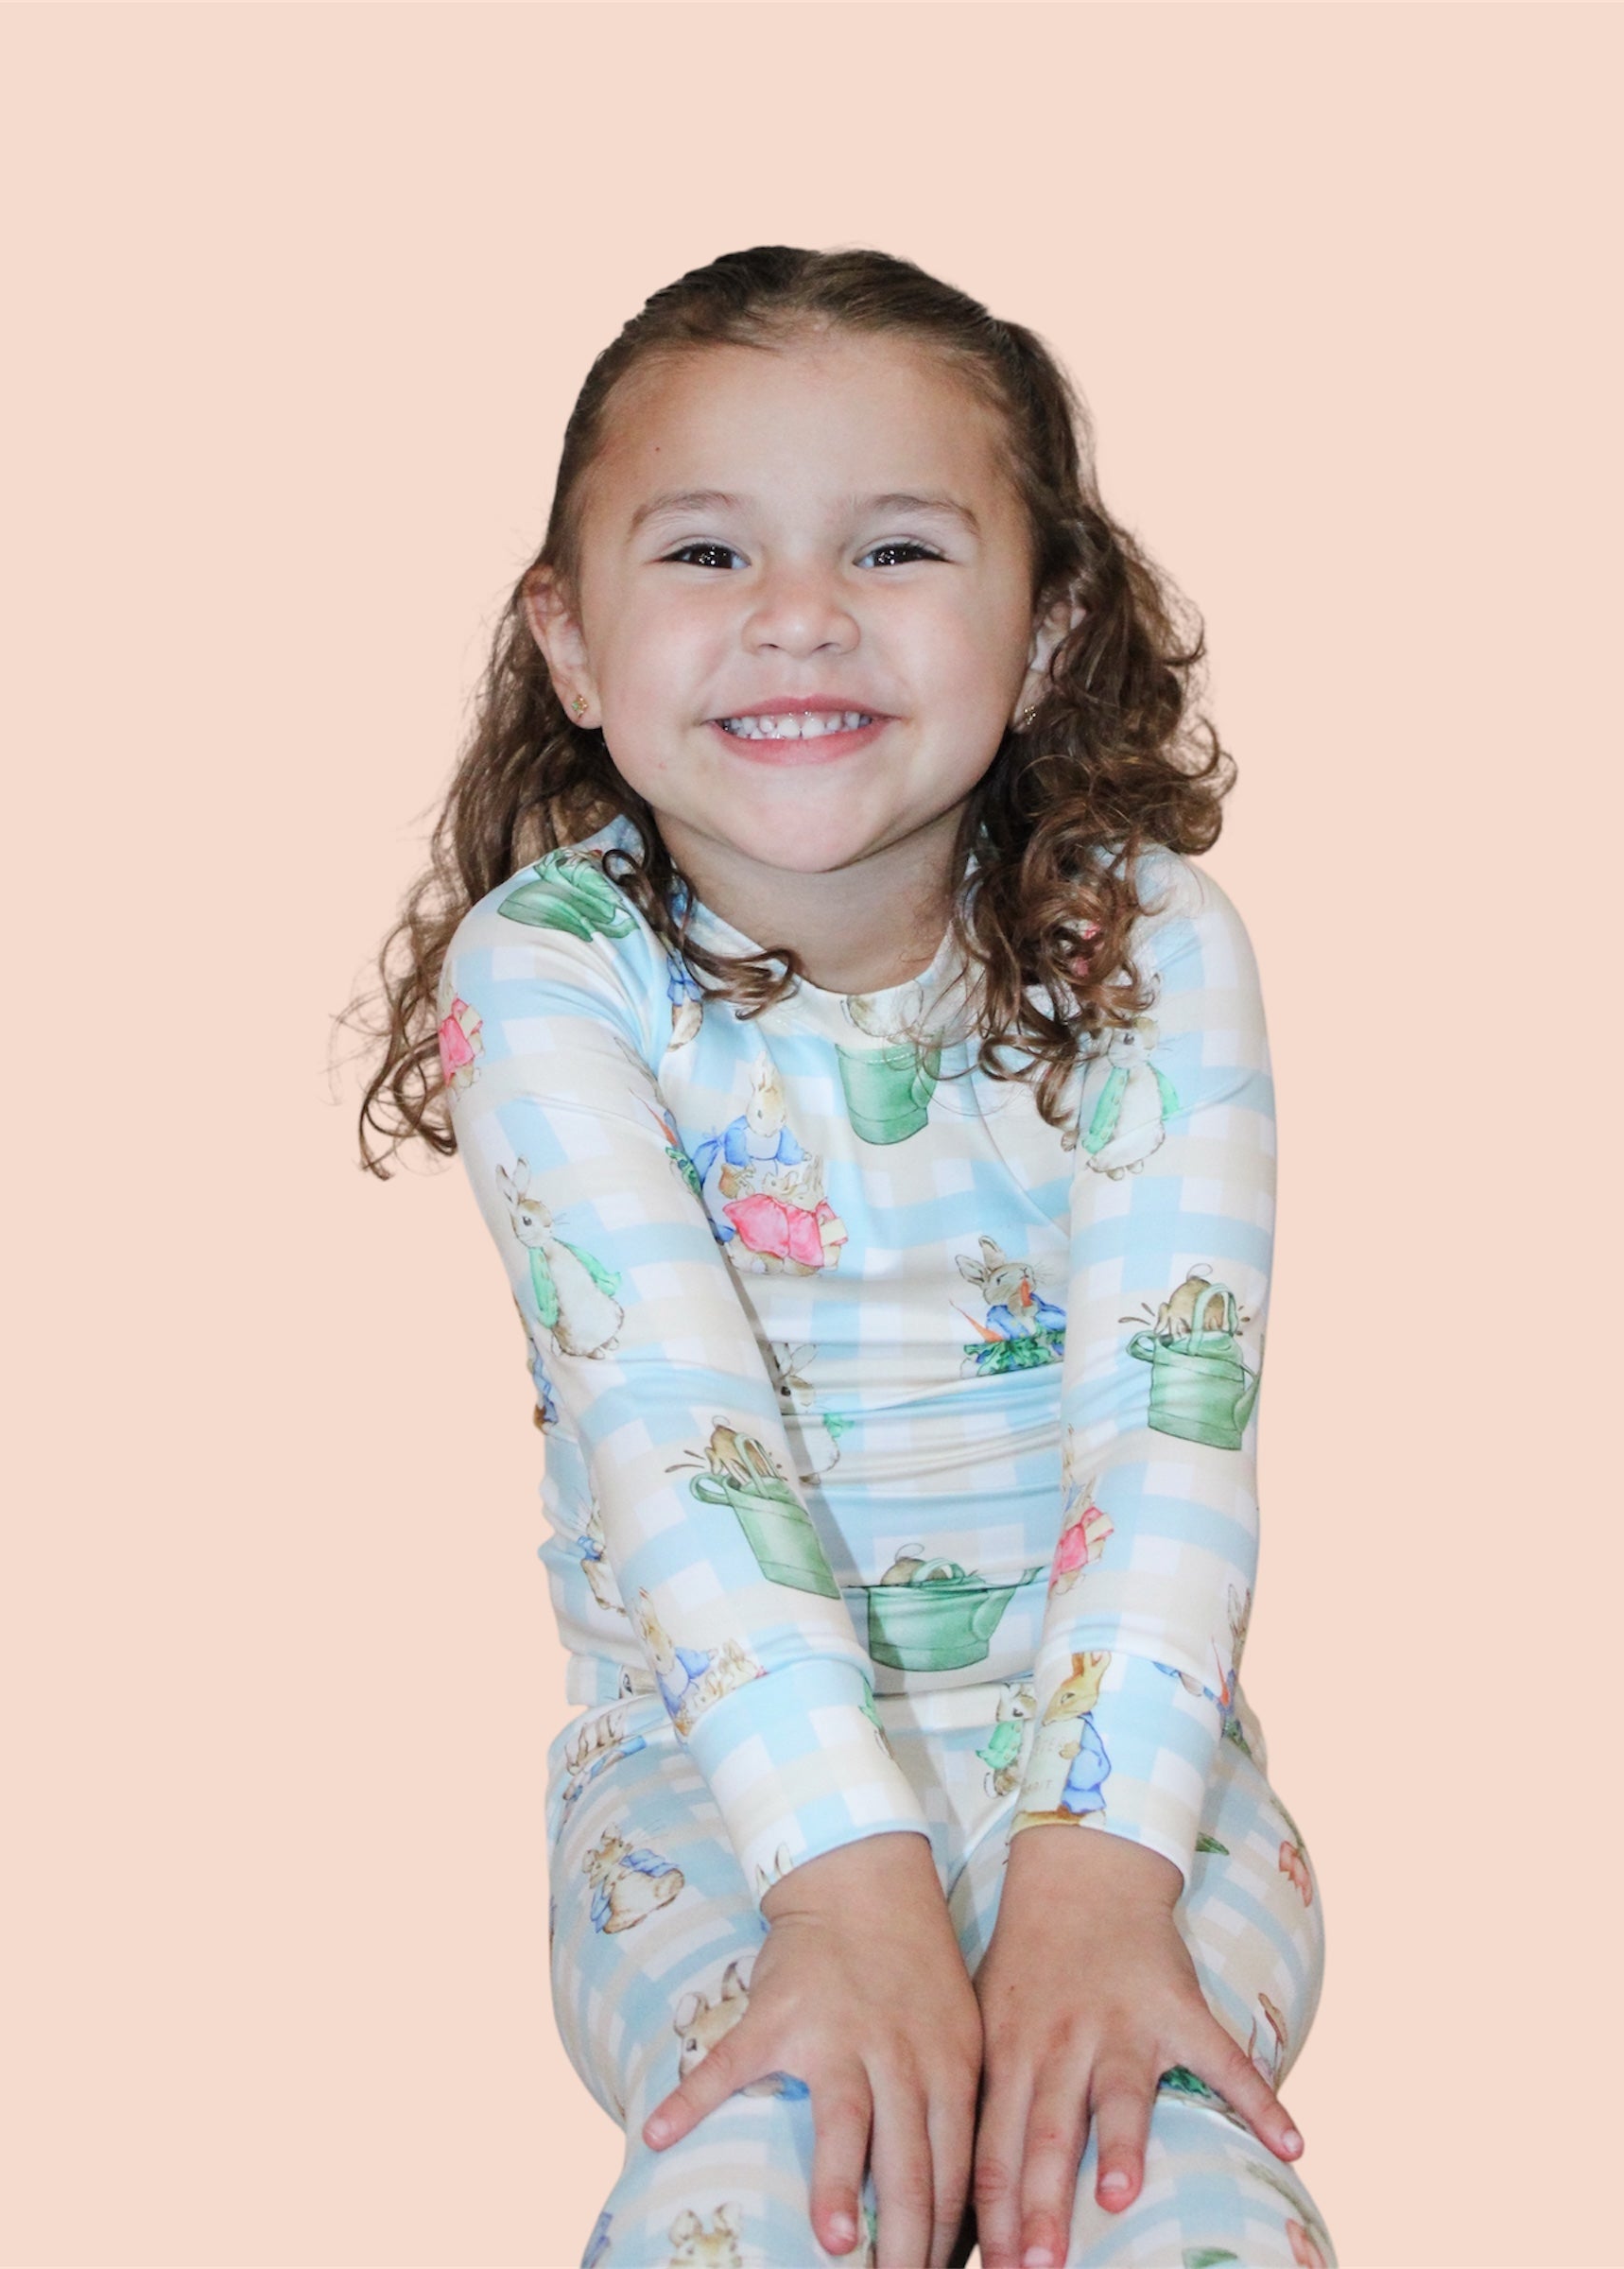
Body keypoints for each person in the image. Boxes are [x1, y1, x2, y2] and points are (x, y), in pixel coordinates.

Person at [351, 244, 1332, 2269]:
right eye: (704, 554)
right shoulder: (553, 978)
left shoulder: (1150, 946)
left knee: (1164, 2195)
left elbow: (1172, 1438)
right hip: (710, 1782)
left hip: (1120, 1763)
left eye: (896, 549)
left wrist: (1095, 1882)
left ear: (1048, 627)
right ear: (568, 636)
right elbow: (679, 1448)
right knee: (774, 2183)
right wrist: (846, 1895)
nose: (798, 615)